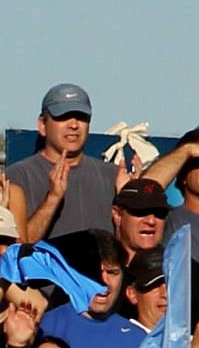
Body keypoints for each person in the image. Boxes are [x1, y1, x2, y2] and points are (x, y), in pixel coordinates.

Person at [9, 83, 120, 242]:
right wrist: (53, 199)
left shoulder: (112, 176)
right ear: (42, 125)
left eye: (81, 117)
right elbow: (16, 251)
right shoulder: (17, 178)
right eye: (63, 117)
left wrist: (129, 205)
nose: (74, 125)